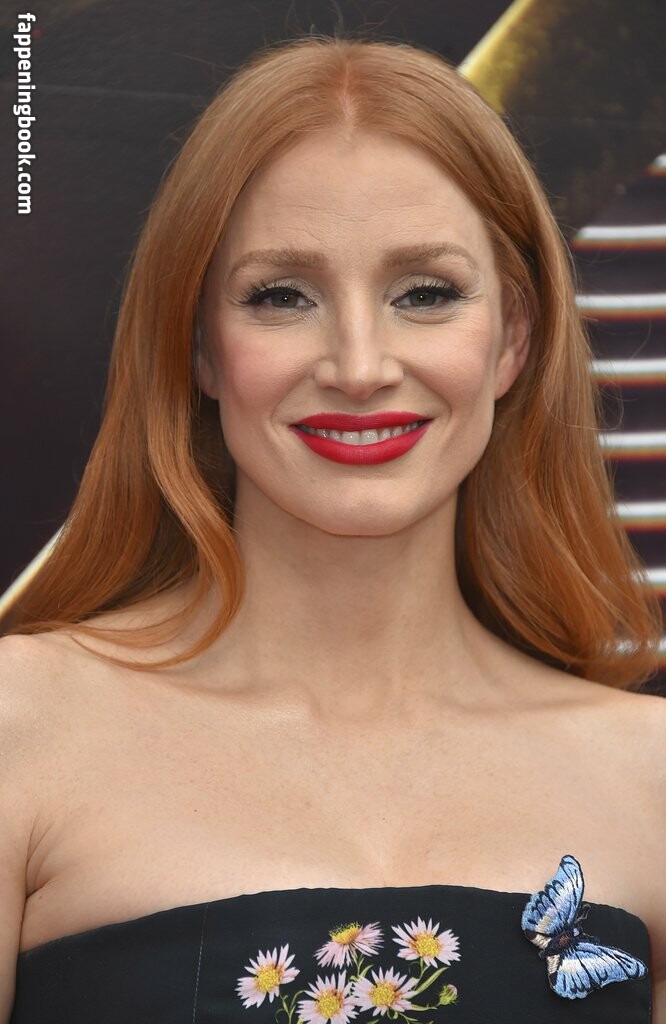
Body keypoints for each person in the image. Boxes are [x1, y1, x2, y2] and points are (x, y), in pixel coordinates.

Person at [1, 30, 664, 1024]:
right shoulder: (22, 728)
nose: (359, 365)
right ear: (201, 345)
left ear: (513, 338)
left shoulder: (649, 777)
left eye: (425, 293)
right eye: (282, 296)